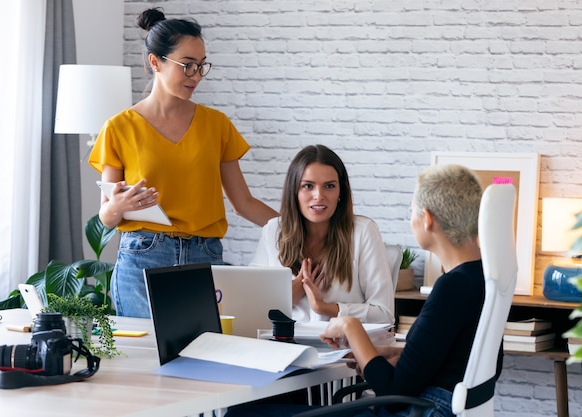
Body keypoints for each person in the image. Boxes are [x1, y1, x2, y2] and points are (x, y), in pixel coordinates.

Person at [226, 163, 499, 417]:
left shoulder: (451, 288)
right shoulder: (481, 278)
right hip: (440, 405)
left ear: (426, 219)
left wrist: (350, 326)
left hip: (423, 410)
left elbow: (393, 394)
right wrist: (392, 354)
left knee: (243, 413)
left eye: (411, 211)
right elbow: (455, 358)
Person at [88, 8, 278, 318]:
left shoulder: (217, 125)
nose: (196, 76)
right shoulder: (119, 127)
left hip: (204, 257)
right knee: (146, 359)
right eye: (187, 66)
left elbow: (243, 203)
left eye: (201, 66)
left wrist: (299, 231)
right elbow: (106, 218)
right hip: (143, 258)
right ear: (155, 62)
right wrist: (119, 205)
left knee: (202, 354)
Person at [250, 144, 394, 325]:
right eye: (308, 186)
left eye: (329, 186)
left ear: (340, 192)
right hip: (285, 346)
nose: (318, 196)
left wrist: (324, 308)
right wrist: (291, 294)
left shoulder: (363, 231)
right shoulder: (273, 231)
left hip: (342, 348)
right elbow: (252, 305)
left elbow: (384, 313)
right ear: (294, 191)